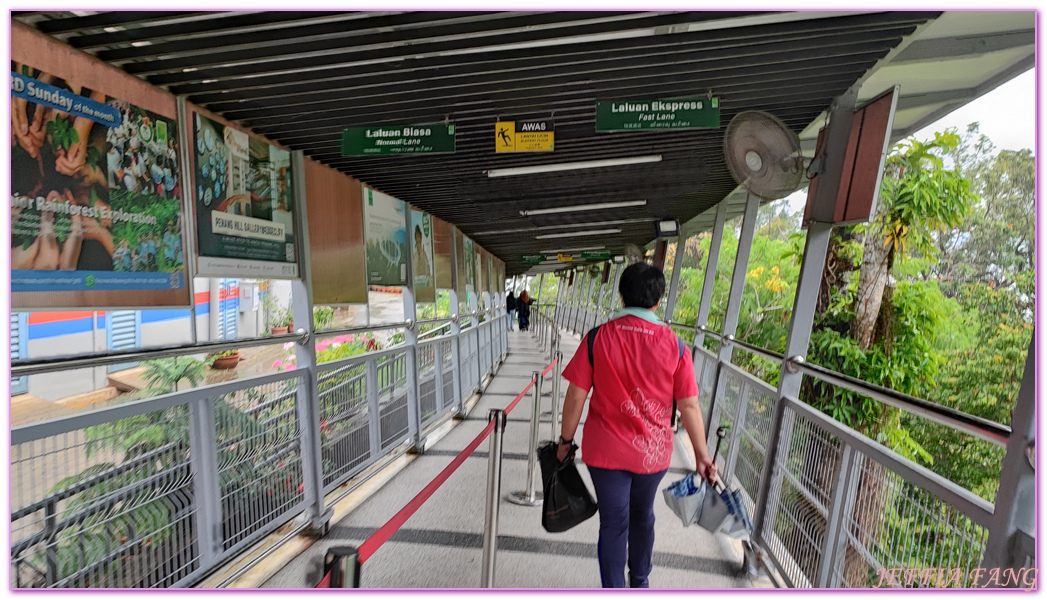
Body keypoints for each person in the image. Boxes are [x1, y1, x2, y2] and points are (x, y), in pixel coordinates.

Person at [556, 262, 717, 589]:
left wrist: (565, 441)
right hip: (652, 455)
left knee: (614, 524)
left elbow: (575, 397)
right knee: (643, 516)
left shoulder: (597, 338)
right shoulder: (676, 346)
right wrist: (702, 455)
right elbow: (688, 405)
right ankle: (640, 582)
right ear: (659, 300)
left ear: (621, 295)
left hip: (605, 452)